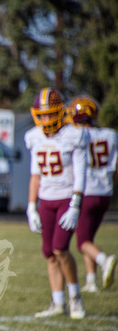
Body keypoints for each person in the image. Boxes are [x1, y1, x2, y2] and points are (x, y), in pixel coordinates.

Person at [25, 87, 89, 319]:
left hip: (65, 199)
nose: (46, 119)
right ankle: (57, 302)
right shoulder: (34, 137)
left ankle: (75, 297)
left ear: (60, 112)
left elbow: (81, 173)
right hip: (46, 200)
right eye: (42, 115)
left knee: (60, 248)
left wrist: (75, 203)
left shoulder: (74, 135)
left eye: (51, 113)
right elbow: (35, 176)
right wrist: (31, 207)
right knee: (48, 253)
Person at [66, 95, 117, 292]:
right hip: (105, 192)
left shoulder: (77, 135)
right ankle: (91, 281)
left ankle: (105, 260)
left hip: (86, 191)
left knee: (82, 242)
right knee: (88, 238)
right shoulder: (111, 135)